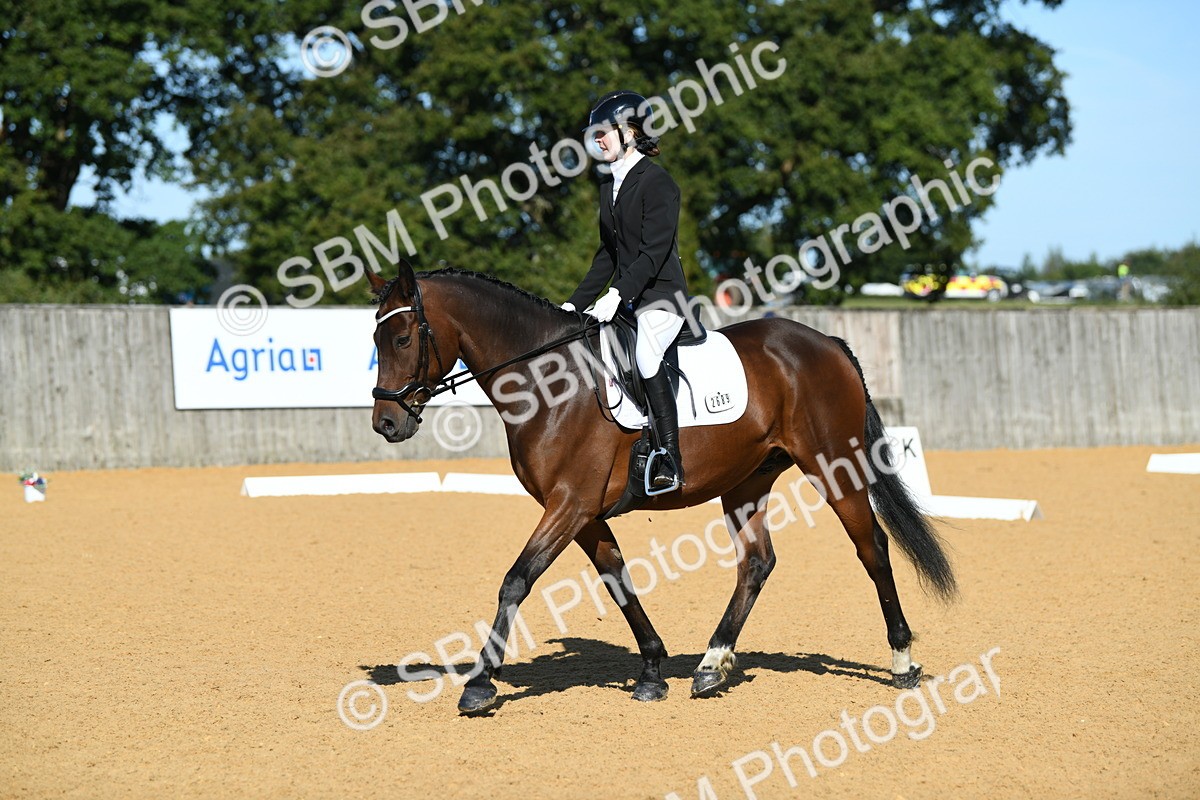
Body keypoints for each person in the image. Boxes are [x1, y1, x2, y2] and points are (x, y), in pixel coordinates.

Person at [562, 90, 691, 491]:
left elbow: (653, 252)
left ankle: (669, 456)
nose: (597, 140)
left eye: (604, 132)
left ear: (631, 133)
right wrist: (574, 303)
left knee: (647, 356)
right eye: (594, 134)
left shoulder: (658, 183)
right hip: (629, 298)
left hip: (662, 296)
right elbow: (608, 255)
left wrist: (618, 294)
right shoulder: (609, 186)